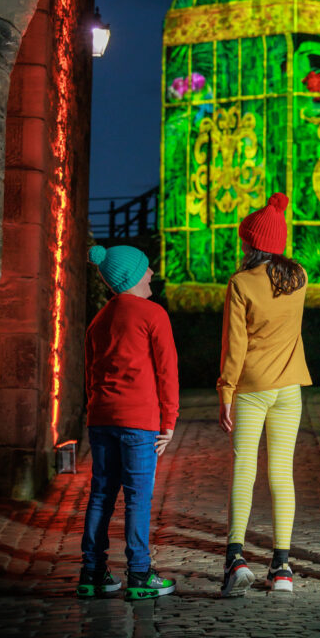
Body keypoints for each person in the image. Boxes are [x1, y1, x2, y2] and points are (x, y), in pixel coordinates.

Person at [217, 192, 312, 597]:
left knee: (244, 469)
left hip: (252, 389)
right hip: (290, 388)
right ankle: (283, 566)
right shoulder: (300, 278)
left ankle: (236, 558)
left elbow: (234, 346)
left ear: (251, 243)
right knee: (281, 472)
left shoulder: (241, 283)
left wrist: (226, 391)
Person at [77, 244, 179, 601]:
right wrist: (169, 420)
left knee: (102, 494)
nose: (151, 273)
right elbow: (167, 371)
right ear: (132, 277)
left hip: (101, 418)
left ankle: (91, 573)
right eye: (146, 268)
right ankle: (139, 573)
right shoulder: (153, 314)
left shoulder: (98, 321)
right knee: (138, 497)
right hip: (139, 420)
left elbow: (90, 373)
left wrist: (95, 410)